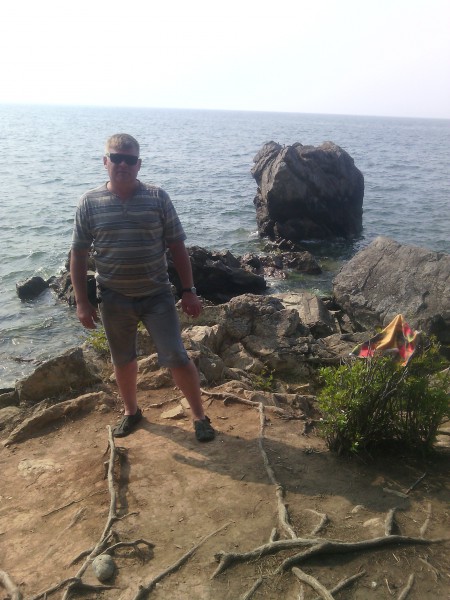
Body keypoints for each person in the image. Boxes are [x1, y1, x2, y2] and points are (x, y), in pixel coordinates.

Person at [70, 133, 215, 442]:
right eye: (116, 158)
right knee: (122, 359)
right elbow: (79, 254)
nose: (123, 164)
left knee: (177, 356)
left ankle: (199, 416)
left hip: (157, 295)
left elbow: (177, 246)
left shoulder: (157, 197)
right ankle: (131, 412)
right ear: (105, 161)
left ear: (139, 164)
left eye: (130, 159)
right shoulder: (89, 202)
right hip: (113, 297)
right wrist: (82, 301)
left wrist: (188, 290)